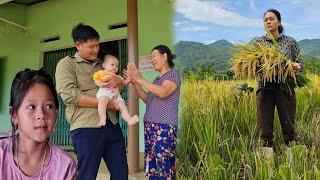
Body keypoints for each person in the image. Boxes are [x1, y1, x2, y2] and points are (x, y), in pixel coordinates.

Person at [55, 23, 128, 180]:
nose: (96, 50)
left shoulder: (102, 64)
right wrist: (103, 104)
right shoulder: (67, 64)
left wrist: (120, 82)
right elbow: (69, 95)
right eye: (91, 46)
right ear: (78, 44)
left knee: (121, 173)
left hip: (112, 124)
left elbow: (116, 90)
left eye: (97, 45)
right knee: (87, 175)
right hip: (85, 127)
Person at [0, 68, 76, 180]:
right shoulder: (1, 157)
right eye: (31, 107)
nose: (41, 114)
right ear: (14, 115)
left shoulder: (65, 166)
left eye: (49, 106)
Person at [125, 45, 181, 179]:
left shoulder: (173, 74)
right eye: (151, 57)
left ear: (165, 56)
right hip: (150, 127)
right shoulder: (156, 80)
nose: (152, 60)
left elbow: (163, 92)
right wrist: (135, 82)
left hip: (164, 127)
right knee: (153, 165)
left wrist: (140, 78)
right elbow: (147, 99)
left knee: (164, 165)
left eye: (154, 56)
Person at [252, 9, 302, 158]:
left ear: (279, 22)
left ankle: (292, 163)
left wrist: (296, 67)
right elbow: (252, 65)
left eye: (271, 19)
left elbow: (300, 64)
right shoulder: (258, 43)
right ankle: (267, 165)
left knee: (289, 127)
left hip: (284, 89)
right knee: (265, 129)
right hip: (265, 89)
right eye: (265, 19)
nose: (268, 21)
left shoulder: (290, 42)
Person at [94, 55, 139, 127]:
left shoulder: (117, 76)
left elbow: (123, 83)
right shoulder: (102, 73)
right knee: (102, 102)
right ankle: (102, 119)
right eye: (112, 65)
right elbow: (96, 81)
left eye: (117, 66)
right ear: (104, 65)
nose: (115, 67)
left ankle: (129, 119)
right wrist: (101, 84)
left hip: (116, 95)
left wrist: (128, 79)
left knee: (122, 105)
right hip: (105, 93)